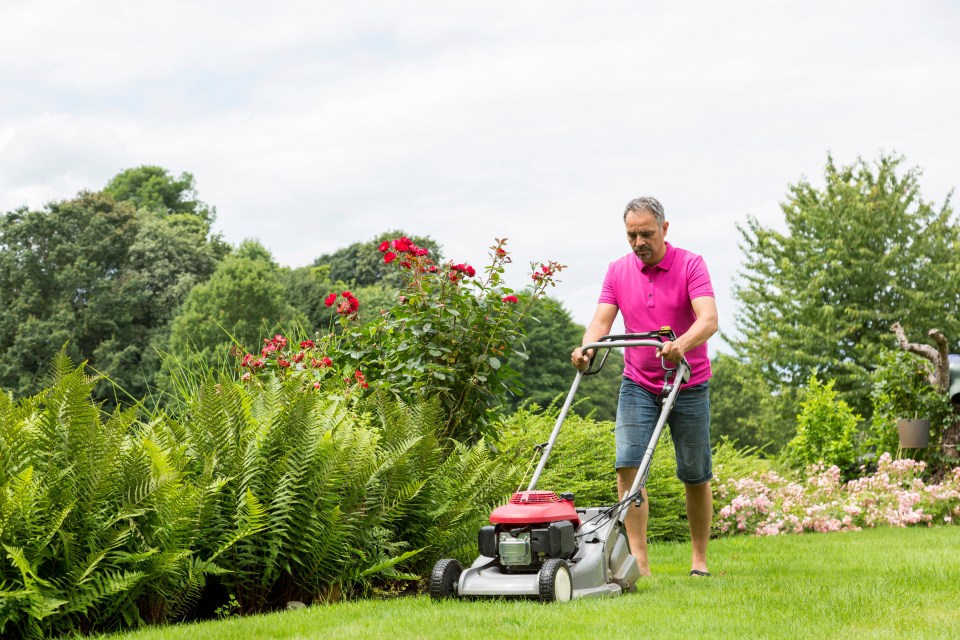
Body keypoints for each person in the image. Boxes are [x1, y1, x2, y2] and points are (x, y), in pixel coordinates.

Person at [571, 196, 718, 577]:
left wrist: (680, 345)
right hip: (638, 381)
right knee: (628, 467)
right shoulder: (617, 271)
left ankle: (699, 560)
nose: (639, 242)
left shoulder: (691, 264)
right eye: (631, 235)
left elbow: (708, 319)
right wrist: (586, 348)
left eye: (646, 234)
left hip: (689, 381)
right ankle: (640, 564)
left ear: (665, 229)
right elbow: (601, 322)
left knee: (695, 473)